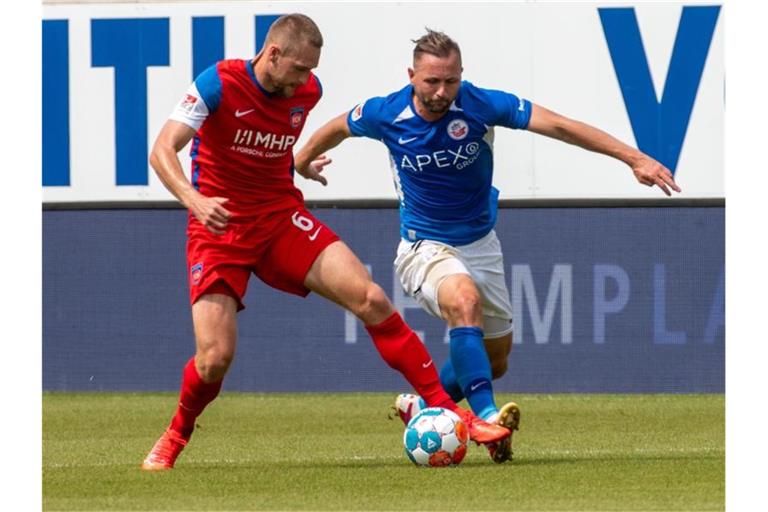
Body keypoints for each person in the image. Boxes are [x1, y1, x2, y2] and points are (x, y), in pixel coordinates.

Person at [141, 16, 511, 472]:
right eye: (299, 68)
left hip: (280, 219)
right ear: (272, 54)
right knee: (215, 358)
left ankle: (453, 413)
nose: (306, 79)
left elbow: (277, 150)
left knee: (372, 299)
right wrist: (194, 199)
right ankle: (176, 434)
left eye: (311, 69)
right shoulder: (218, 82)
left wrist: (299, 163)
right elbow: (162, 149)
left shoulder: (306, 92)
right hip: (219, 229)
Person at [294, 29, 682, 463]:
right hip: (423, 245)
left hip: (481, 245)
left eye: (451, 81)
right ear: (411, 76)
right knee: (464, 300)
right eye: (431, 82)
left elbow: (559, 125)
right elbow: (336, 127)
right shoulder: (386, 112)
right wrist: (301, 159)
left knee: (493, 361)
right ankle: (485, 420)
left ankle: (424, 408)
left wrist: (634, 158)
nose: (442, 92)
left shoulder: (480, 104)